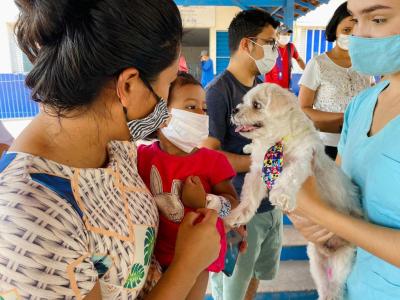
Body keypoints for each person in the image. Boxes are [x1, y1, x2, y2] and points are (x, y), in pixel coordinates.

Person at [0, 1, 221, 299]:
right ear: (129, 85)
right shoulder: (32, 221)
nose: (166, 115)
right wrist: (188, 265)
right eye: (168, 86)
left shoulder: (117, 147)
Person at [290, 0, 400, 299]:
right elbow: (339, 194)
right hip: (350, 286)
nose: (358, 34)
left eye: (377, 19)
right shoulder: (361, 105)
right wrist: (312, 221)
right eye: (354, 20)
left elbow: (332, 215)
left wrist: (323, 215)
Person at [202, 9, 283, 300]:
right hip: (239, 209)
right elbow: (209, 156)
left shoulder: (262, 89)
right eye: (270, 42)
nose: (275, 50)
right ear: (248, 44)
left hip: (269, 205)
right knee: (231, 290)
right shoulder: (217, 92)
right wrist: (259, 161)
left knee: (255, 279)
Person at [137, 72, 239, 300]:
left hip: (198, 255)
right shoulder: (141, 157)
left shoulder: (212, 161)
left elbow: (232, 205)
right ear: (160, 113)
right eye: (192, 107)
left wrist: (207, 202)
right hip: (152, 253)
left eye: (204, 108)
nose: (202, 114)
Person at [298, 1, 373, 159]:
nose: (352, 35)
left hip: (359, 146)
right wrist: (343, 118)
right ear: (335, 30)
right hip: (325, 147)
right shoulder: (318, 64)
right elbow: (303, 109)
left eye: (357, 30)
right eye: (346, 30)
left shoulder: (367, 66)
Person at [265, 24, 305, 89]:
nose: (287, 36)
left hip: (286, 87)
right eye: (284, 34)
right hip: (271, 87)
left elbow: (299, 59)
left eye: (288, 34)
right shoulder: (270, 47)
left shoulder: (291, 47)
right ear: (277, 35)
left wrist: (306, 70)